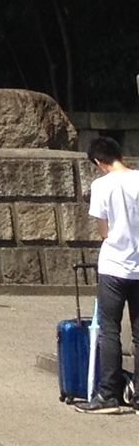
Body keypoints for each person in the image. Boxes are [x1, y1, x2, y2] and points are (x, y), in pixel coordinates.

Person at [75, 136, 139, 413]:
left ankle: (108, 394)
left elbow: (104, 229)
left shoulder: (101, 185)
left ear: (99, 162)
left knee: (110, 330)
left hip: (114, 266)